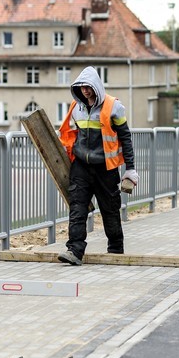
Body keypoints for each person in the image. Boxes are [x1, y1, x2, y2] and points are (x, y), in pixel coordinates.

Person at [57, 66, 139, 265]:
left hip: (105, 168)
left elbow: (125, 138)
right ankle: (74, 251)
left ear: (96, 86)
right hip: (81, 167)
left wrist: (130, 168)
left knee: (109, 209)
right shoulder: (76, 107)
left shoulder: (114, 106)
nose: (85, 90)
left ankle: (116, 249)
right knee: (77, 208)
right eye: (82, 87)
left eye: (88, 86)